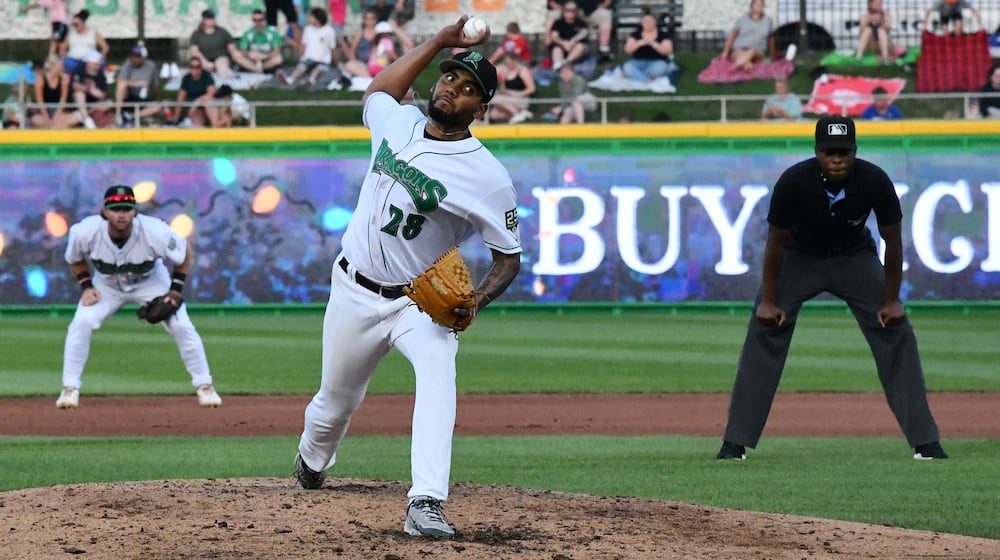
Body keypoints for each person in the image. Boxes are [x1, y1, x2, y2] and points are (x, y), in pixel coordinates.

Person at [293, 17, 522, 539]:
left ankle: (426, 502)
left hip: (418, 302)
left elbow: (508, 258)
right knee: (333, 404)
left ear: (480, 110)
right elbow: (378, 91)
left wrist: (479, 301)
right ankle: (313, 459)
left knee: (439, 373)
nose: (452, 89)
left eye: (468, 90)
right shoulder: (397, 123)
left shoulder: (486, 177)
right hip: (353, 289)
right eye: (449, 78)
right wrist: (441, 40)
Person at [716, 116, 947, 462]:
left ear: (854, 152)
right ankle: (735, 443)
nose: (837, 159)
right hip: (799, 257)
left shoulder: (874, 180)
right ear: (817, 152)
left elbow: (894, 242)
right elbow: (775, 244)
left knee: (895, 329)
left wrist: (892, 299)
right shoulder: (794, 181)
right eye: (829, 152)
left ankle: (926, 442)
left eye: (844, 152)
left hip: (853, 258)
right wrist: (769, 299)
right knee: (765, 328)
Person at [56, 185, 222, 410]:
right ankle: (70, 389)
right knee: (82, 322)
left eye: (126, 208)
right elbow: (74, 258)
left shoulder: (155, 231)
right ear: (104, 211)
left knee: (182, 325)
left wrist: (174, 291)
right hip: (107, 285)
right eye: (115, 209)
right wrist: (86, 286)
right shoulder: (84, 231)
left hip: (150, 282)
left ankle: (205, 387)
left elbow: (184, 254)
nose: (121, 214)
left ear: (135, 211)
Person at [277, 8, 338, 87]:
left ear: (317, 18)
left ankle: (310, 81)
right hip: (308, 59)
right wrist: (300, 55)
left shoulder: (329, 30)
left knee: (318, 69)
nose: (309, 18)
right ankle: (289, 80)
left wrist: (337, 62)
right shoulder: (308, 29)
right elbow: (303, 45)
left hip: (323, 61)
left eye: (311, 16)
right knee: (301, 67)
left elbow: (332, 48)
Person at [622, 5, 678, 83]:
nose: (647, 23)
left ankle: (637, 77)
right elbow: (628, 50)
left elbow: (668, 51)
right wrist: (639, 43)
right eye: (645, 21)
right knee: (627, 67)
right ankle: (646, 80)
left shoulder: (663, 35)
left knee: (662, 68)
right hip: (638, 62)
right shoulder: (635, 34)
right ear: (642, 23)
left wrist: (653, 43)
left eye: (650, 21)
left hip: (657, 62)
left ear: (655, 22)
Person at [113, 44, 162, 127]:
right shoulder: (127, 64)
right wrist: (138, 83)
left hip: (144, 97)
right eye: (133, 56)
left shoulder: (151, 66)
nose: (134, 58)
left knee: (158, 106)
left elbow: (155, 86)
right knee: (122, 85)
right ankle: (118, 114)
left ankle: (131, 116)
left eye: (137, 56)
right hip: (129, 96)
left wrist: (159, 99)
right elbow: (119, 80)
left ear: (144, 58)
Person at [720, 0, 776, 72]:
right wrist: (725, 52)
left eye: (761, 5)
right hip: (740, 48)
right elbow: (732, 35)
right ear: (752, 6)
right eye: (757, 4)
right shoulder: (743, 19)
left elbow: (771, 38)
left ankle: (734, 66)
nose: (759, 7)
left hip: (758, 51)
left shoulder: (768, 20)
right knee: (738, 52)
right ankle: (747, 65)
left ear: (763, 7)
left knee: (752, 51)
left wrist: (773, 53)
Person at [68, 50, 112, 129]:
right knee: (79, 93)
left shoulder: (100, 74)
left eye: (98, 63)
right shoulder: (79, 70)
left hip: (95, 102)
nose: (98, 65)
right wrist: (88, 89)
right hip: (78, 101)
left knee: (109, 103)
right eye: (96, 63)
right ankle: (86, 119)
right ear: (89, 63)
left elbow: (102, 94)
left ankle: (89, 113)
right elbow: (75, 86)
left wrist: (93, 90)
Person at [489, 50, 536, 124]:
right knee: (494, 115)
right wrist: (502, 81)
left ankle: (517, 114)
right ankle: (521, 114)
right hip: (507, 98)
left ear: (515, 60)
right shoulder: (505, 70)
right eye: (506, 63)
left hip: (521, 98)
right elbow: (503, 90)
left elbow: (532, 89)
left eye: (509, 62)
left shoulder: (522, 70)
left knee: (495, 99)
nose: (508, 65)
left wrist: (518, 94)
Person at [231, 9, 285, 74]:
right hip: (253, 58)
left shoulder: (272, 31)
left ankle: (256, 69)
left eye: (260, 20)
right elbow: (243, 49)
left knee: (279, 58)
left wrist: (266, 56)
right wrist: (249, 54)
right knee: (236, 54)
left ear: (264, 20)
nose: (258, 22)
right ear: (253, 20)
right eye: (255, 20)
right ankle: (258, 70)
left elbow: (277, 50)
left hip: (267, 58)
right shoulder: (248, 32)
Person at [189, 9, 236, 80]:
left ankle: (227, 82)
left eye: (212, 18)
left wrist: (233, 53)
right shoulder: (197, 34)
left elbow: (231, 46)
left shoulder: (222, 31)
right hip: (204, 60)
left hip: (221, 57)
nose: (211, 20)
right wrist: (205, 62)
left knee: (222, 66)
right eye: (209, 18)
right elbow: (194, 51)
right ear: (204, 20)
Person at [60, 9, 109, 75]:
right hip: (74, 60)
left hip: (89, 61)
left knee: (100, 64)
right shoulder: (71, 33)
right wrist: (65, 56)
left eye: (77, 24)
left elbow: (105, 47)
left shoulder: (93, 33)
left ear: (83, 23)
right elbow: (63, 48)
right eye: (74, 25)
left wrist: (100, 58)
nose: (75, 27)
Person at [170, 58, 216, 127]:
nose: (195, 69)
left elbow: (211, 93)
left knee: (209, 103)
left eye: (198, 67)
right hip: (194, 109)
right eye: (192, 67)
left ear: (201, 67)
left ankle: (215, 126)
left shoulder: (206, 76)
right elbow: (180, 98)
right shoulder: (187, 79)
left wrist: (197, 102)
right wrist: (176, 117)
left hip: (204, 105)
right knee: (197, 120)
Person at [29, 55, 70, 129]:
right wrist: (45, 115)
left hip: (58, 109)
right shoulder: (40, 78)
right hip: (44, 110)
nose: (63, 67)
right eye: (61, 65)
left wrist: (58, 113)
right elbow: (39, 99)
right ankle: (55, 127)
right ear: (53, 66)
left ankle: (52, 126)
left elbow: (63, 98)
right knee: (35, 120)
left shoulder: (64, 79)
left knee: (69, 118)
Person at [548, 1, 590, 71]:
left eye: (573, 10)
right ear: (563, 10)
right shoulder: (558, 23)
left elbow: (583, 33)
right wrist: (564, 43)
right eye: (568, 10)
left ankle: (565, 63)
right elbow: (554, 36)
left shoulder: (581, 23)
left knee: (581, 47)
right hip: (561, 46)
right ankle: (558, 65)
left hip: (575, 47)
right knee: (556, 49)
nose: (570, 12)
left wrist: (572, 41)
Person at [342, 8, 380, 79]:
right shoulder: (360, 33)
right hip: (362, 64)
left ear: (375, 20)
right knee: (349, 65)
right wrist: (354, 61)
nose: (369, 22)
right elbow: (352, 50)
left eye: (371, 19)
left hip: (376, 63)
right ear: (364, 20)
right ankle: (369, 79)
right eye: (367, 19)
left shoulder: (379, 33)